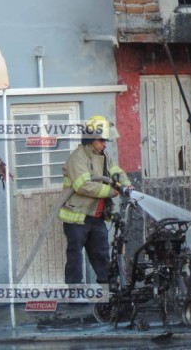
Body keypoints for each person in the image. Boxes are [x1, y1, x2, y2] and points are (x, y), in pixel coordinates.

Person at [58, 115, 131, 285]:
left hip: (97, 217)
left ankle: (107, 292)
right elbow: (82, 185)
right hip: (77, 218)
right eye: (102, 140)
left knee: (102, 255)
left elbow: (117, 172)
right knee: (75, 257)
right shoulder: (77, 158)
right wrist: (111, 191)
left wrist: (127, 186)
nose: (105, 144)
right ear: (91, 139)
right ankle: (75, 292)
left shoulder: (104, 156)